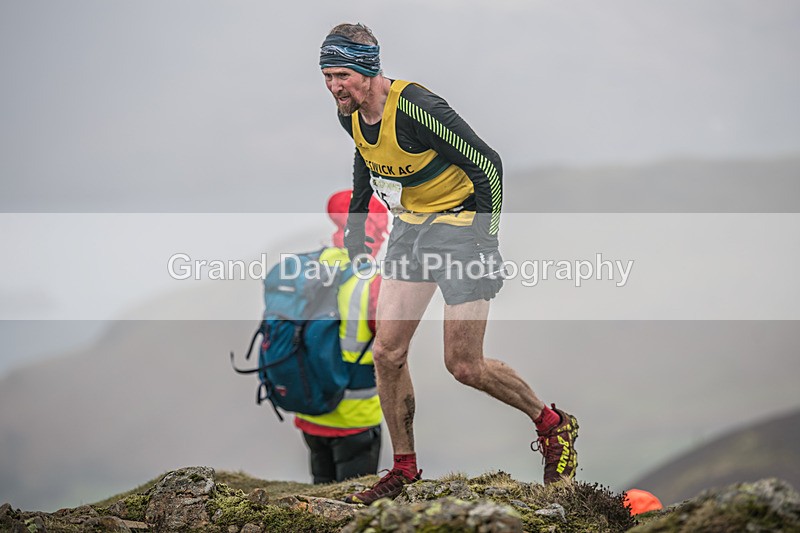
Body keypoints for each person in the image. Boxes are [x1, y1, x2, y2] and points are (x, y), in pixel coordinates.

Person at [319, 23, 580, 503]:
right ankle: (404, 468)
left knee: (463, 364)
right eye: (326, 75)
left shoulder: (417, 108)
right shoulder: (349, 112)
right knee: (387, 352)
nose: (334, 86)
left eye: (342, 75)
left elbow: (488, 164)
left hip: (462, 226)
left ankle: (552, 425)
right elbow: (366, 160)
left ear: (368, 69)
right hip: (410, 226)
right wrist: (357, 231)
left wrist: (486, 240)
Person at [294, 189, 389, 484]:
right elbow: (391, 345)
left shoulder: (309, 267)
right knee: (352, 510)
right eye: (382, 231)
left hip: (310, 411)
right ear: (372, 232)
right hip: (355, 417)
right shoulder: (372, 283)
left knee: (319, 498)